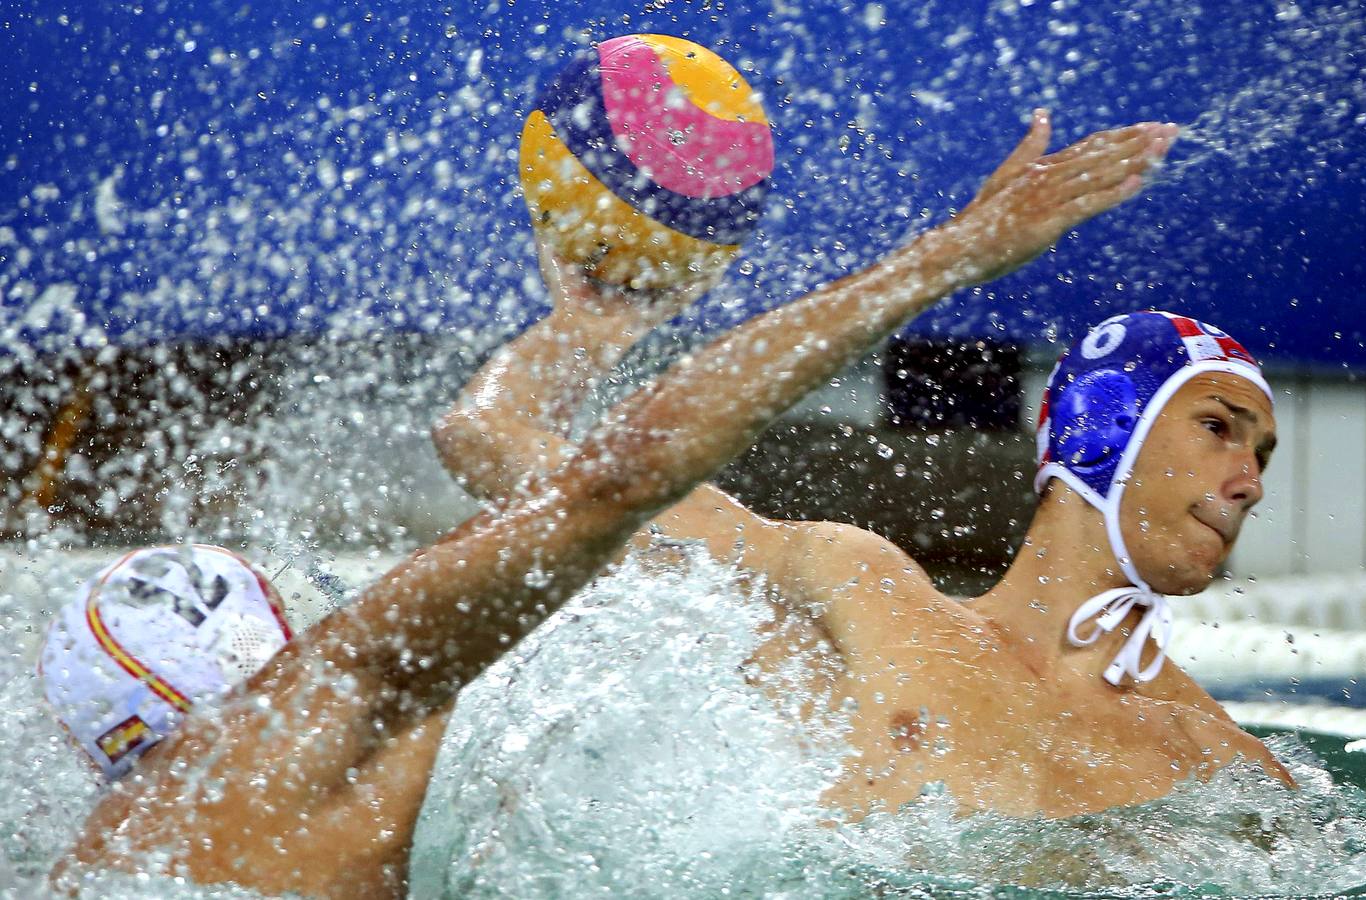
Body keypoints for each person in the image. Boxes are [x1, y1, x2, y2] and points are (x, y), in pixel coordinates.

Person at [47, 105, 1168, 897]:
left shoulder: (119, 846)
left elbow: (483, 438)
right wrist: (950, 256)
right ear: (275, 656)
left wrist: (589, 325)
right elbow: (612, 475)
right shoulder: (329, 703)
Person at [434, 109, 1295, 823]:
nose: (1249, 481)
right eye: (1218, 426)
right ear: (1100, 430)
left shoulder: (1228, 767)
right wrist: (593, 327)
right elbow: (493, 442)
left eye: (1259, 454)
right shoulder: (857, 598)